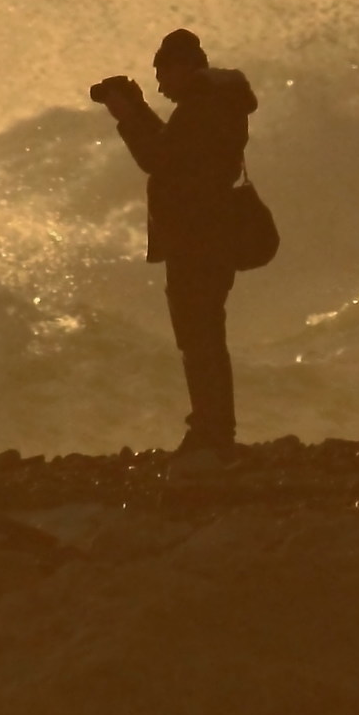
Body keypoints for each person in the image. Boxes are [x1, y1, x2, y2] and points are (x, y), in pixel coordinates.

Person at [91, 29, 258, 457]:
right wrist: (138, 110)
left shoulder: (203, 108)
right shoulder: (211, 106)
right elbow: (173, 149)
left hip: (197, 240)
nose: (161, 86)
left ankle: (211, 431)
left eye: (162, 75)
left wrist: (126, 115)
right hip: (209, 236)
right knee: (204, 335)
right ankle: (213, 428)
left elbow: (158, 160)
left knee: (198, 337)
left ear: (184, 68)